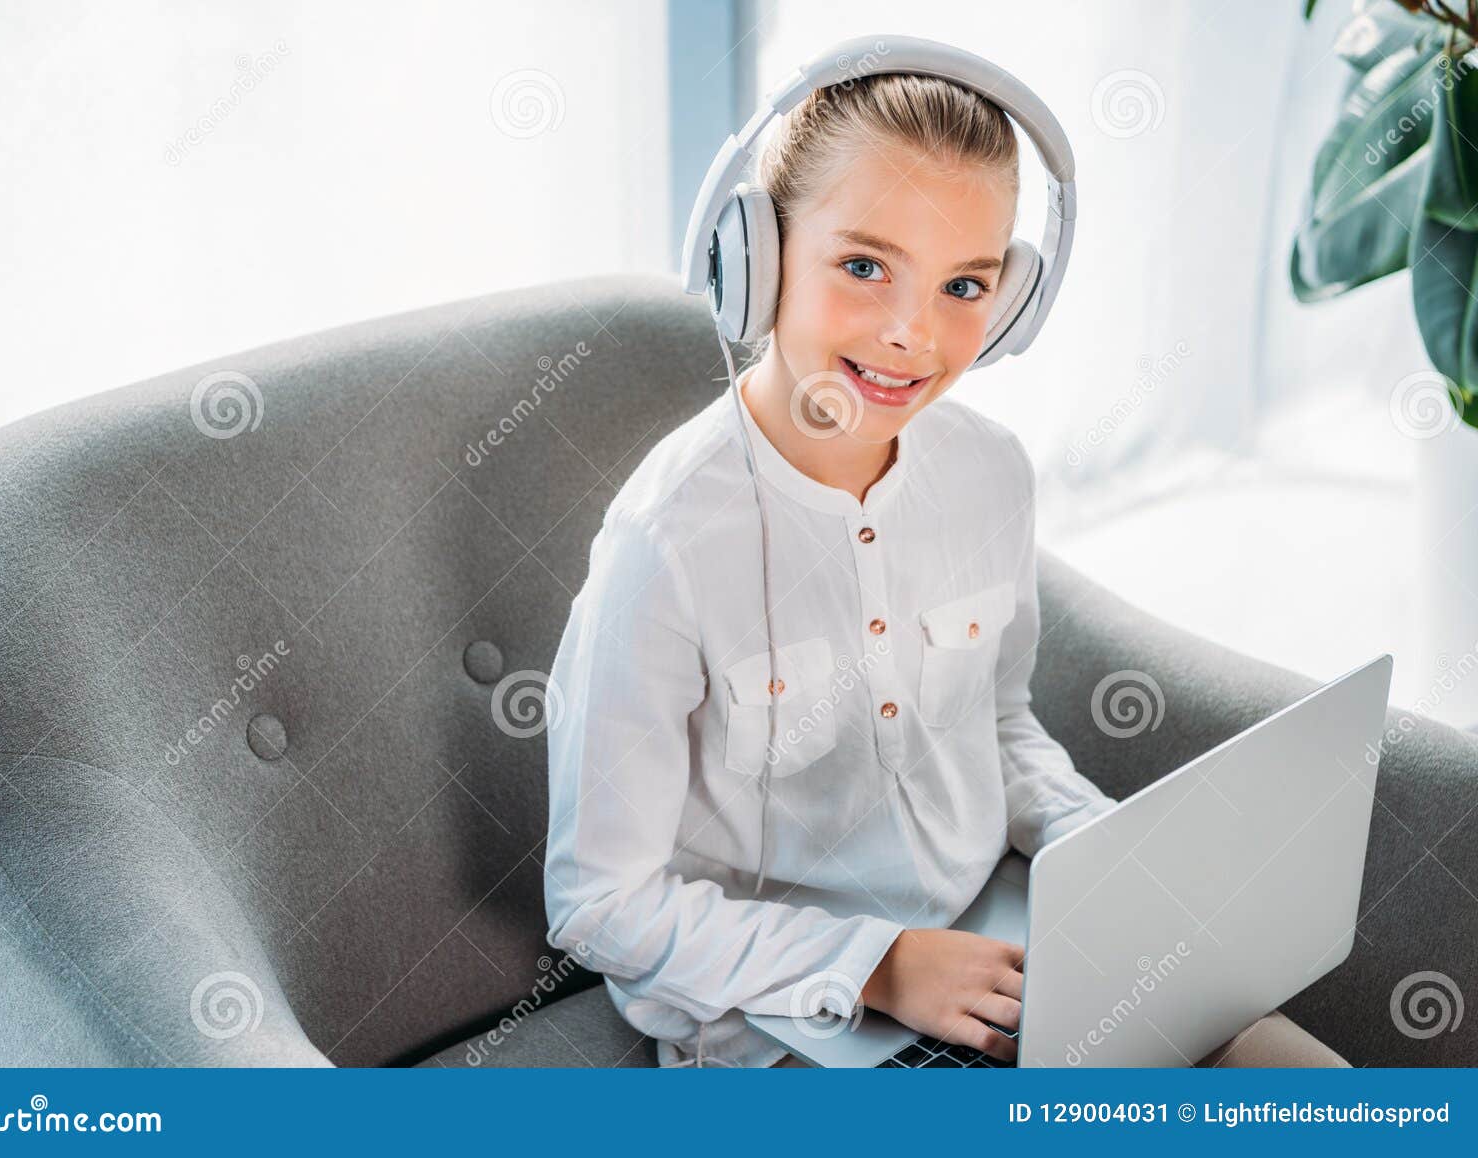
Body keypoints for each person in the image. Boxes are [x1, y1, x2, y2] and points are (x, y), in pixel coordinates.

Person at [542, 67, 1347, 1070]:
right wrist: (877, 966)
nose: (913, 334)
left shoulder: (989, 474)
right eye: (866, 266)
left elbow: (999, 724)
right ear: (756, 256)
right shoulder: (665, 545)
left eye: (963, 284)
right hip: (787, 1022)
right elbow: (597, 903)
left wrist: (1094, 851)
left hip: (1009, 933)